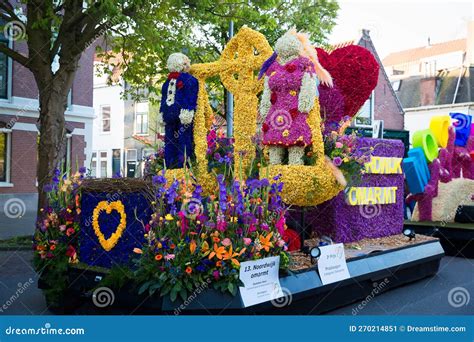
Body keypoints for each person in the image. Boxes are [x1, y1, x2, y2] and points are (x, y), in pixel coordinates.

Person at [160, 53, 199, 169]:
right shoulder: (166, 83)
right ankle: (171, 166)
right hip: (169, 116)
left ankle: (184, 166)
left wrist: (187, 110)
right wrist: (162, 112)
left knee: (184, 139)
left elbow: (190, 96)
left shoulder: (190, 80)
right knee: (170, 141)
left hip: (182, 116)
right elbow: (163, 99)